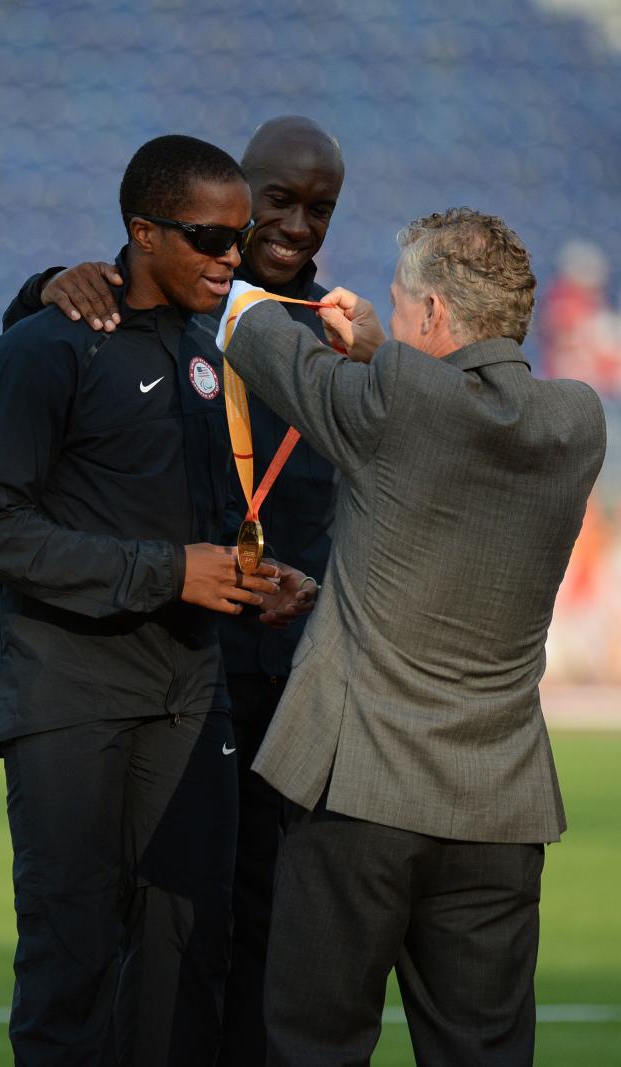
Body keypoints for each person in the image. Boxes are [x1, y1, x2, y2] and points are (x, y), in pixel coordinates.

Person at [0, 134, 313, 1067]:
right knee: (70, 970)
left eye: (238, 237)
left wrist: (252, 575)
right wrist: (169, 571)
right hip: (69, 701)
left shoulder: (210, 354)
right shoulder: (45, 346)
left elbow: (200, 521)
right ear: (142, 231)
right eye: (208, 237)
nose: (231, 257)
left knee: (186, 963)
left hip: (192, 698)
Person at [217, 208, 607, 1066]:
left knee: (314, 1046)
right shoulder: (577, 420)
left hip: (358, 790)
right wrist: (379, 350)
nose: (387, 323)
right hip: (500, 807)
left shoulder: (396, 398)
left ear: (430, 313)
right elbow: (453, 411)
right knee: (485, 1052)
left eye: (398, 307)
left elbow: (249, 329)